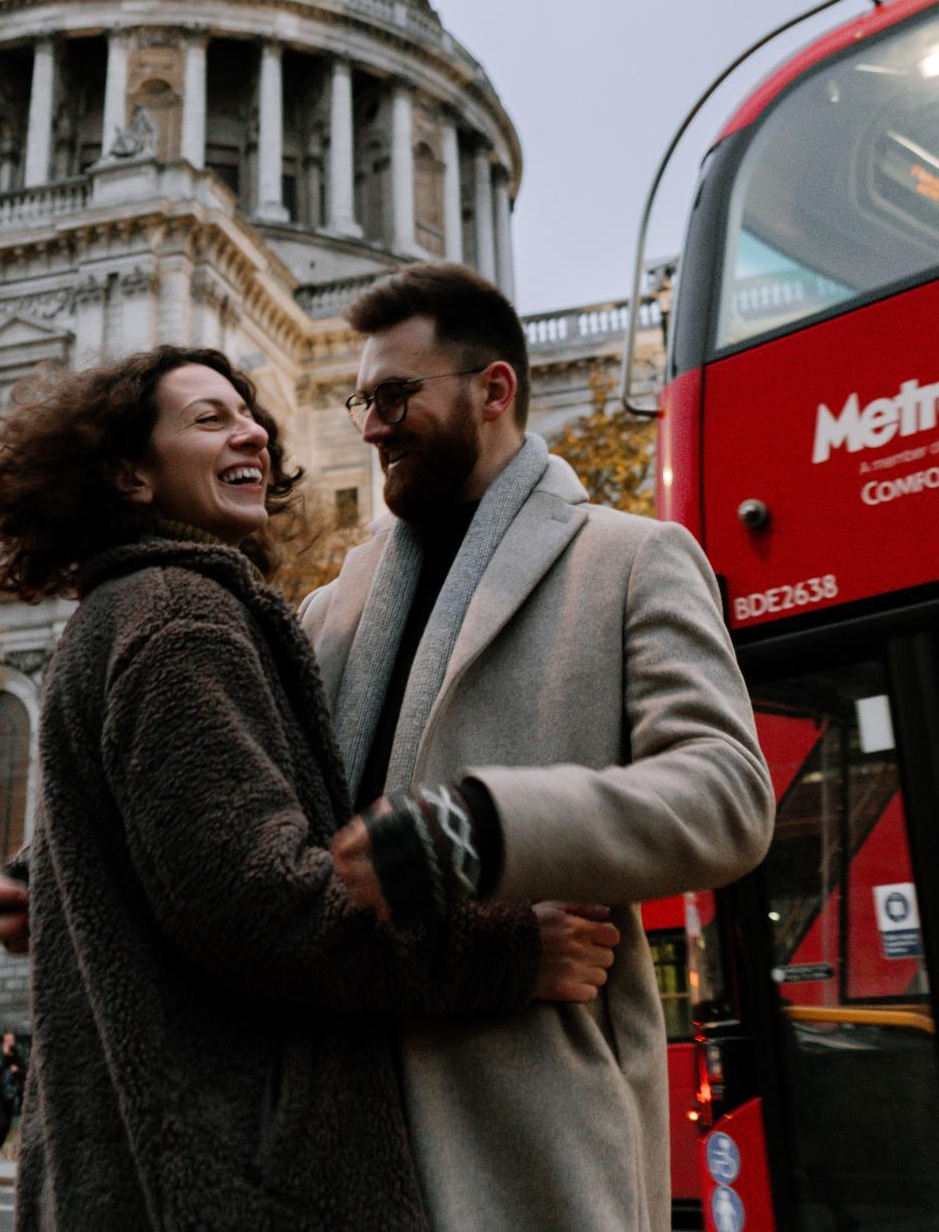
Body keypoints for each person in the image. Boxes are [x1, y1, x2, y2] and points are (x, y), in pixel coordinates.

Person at [0, 347, 619, 1231]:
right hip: (229, 1178)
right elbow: (256, 897)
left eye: (252, 418)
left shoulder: (117, 612)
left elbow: (170, 848)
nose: (252, 434)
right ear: (129, 472)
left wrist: (44, 883)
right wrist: (506, 950)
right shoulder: (179, 616)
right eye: (209, 418)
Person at [312, 262, 772, 1232]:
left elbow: (728, 795)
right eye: (361, 400)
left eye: (395, 396)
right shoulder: (330, 606)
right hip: (342, 1123)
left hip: (532, 1130)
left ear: (493, 391)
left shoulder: (631, 559)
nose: (369, 426)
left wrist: (488, 828)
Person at [0, 1030, 23, 1161]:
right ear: (3, 1042)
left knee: (7, 1125)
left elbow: (23, 1075)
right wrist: (4, 1056)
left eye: (12, 1040)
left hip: (11, 1096)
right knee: (3, 1122)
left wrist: (17, 1071)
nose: (10, 1043)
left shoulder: (17, 1058)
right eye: (8, 1040)